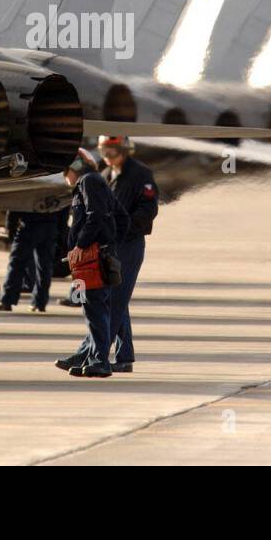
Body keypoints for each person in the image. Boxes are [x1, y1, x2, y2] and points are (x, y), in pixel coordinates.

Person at [53, 148, 122, 378]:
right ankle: (87, 355)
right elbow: (121, 217)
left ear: (76, 167)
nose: (66, 177)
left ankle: (99, 361)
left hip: (91, 258)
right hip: (92, 256)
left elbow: (96, 215)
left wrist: (83, 246)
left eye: (66, 171)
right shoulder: (93, 182)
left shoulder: (88, 181)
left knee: (94, 307)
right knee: (93, 306)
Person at [98, 135, 158, 373]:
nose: (108, 157)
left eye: (112, 152)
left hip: (129, 244)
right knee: (116, 298)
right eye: (104, 152)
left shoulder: (141, 174)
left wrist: (125, 228)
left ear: (124, 150)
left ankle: (98, 354)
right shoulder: (106, 175)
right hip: (110, 243)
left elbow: (148, 208)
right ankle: (124, 356)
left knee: (115, 298)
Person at [0, 208, 67, 312]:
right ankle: (39, 303)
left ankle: (6, 301)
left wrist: (10, 226)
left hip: (29, 225)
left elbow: (20, 200)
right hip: (50, 227)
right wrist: (61, 232)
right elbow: (64, 206)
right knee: (44, 267)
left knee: (17, 264)